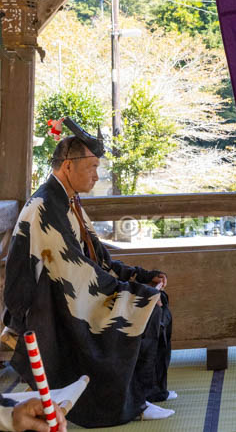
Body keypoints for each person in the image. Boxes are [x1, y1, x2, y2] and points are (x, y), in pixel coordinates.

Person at [2, 119, 176, 426]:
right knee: (143, 308)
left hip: (61, 295)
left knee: (154, 302)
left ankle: (145, 392)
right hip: (45, 309)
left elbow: (96, 256)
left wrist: (138, 277)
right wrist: (133, 294)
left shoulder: (67, 199)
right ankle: (132, 404)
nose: (97, 175)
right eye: (92, 167)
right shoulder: (45, 206)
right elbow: (75, 270)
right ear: (68, 166)